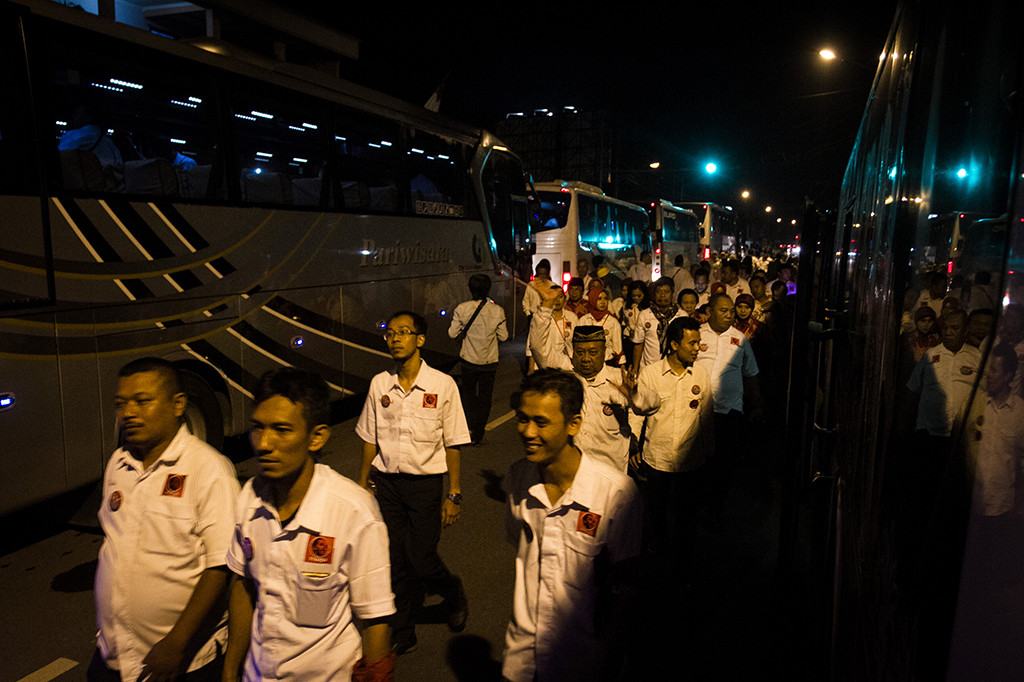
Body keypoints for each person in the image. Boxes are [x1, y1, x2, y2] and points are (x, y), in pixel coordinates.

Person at [223, 369, 395, 681]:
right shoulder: (249, 496)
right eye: (257, 428)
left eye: (281, 430)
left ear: (316, 437)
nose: (263, 444)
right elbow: (244, 583)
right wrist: (231, 668)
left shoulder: (354, 512)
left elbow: (375, 620)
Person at [91, 358, 240, 682]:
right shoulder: (119, 462)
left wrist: (177, 642)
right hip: (113, 656)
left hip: (181, 662)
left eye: (142, 401)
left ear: (178, 405)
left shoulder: (209, 469)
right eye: (121, 403)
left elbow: (219, 566)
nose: (128, 412)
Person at [502, 368, 643, 682]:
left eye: (541, 422)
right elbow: (522, 550)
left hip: (581, 661)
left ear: (573, 424)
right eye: (523, 418)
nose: (527, 431)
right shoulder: (517, 478)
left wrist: (604, 653)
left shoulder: (615, 494)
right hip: (521, 660)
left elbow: (625, 589)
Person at [355, 311, 470, 655]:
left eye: (403, 333)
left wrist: (454, 493)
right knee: (393, 560)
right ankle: (404, 631)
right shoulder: (379, 384)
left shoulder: (442, 386)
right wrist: (362, 483)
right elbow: (369, 440)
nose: (394, 339)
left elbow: (453, 442)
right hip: (387, 485)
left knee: (420, 558)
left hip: (425, 486)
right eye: (389, 333)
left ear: (420, 340)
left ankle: (452, 592)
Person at [530, 282, 655, 472]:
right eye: (580, 352)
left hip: (609, 475)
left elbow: (653, 403)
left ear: (605, 352)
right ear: (573, 353)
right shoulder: (566, 372)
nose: (586, 358)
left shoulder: (618, 380)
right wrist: (546, 307)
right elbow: (539, 348)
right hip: (572, 471)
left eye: (593, 352)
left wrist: (634, 395)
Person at [631, 317, 714, 584]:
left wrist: (708, 452)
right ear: (674, 344)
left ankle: (683, 566)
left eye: (698, 342)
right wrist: (634, 445)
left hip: (691, 462)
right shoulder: (651, 374)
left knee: (686, 514)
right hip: (658, 458)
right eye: (692, 342)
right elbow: (638, 415)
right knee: (656, 509)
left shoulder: (700, 375)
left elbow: (706, 416)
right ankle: (658, 551)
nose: (697, 347)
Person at [697, 293, 761, 528]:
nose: (729, 315)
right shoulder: (696, 334)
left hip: (729, 411)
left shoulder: (739, 339)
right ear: (710, 311)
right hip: (697, 410)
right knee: (699, 460)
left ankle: (716, 508)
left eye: (731, 311)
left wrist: (756, 404)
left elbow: (751, 373)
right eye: (723, 310)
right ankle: (697, 504)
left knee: (724, 462)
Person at [449, 274, 509, 445]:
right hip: (489, 363)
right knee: (484, 399)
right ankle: (478, 433)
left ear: (470, 288)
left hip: (468, 361)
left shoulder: (462, 309)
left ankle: (468, 428)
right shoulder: (497, 311)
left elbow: (452, 333)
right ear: (488, 288)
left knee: (468, 397)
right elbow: (503, 337)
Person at [632, 277, 685, 372]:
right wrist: (635, 369)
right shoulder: (644, 314)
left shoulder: (681, 316)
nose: (662, 295)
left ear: (673, 293)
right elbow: (639, 345)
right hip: (649, 369)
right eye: (658, 292)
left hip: (673, 369)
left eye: (666, 292)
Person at [579, 284, 625, 366]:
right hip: (587, 363)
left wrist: (621, 365)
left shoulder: (613, 321)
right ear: (592, 300)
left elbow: (617, 347)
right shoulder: (584, 320)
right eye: (599, 299)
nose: (603, 302)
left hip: (607, 362)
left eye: (605, 299)